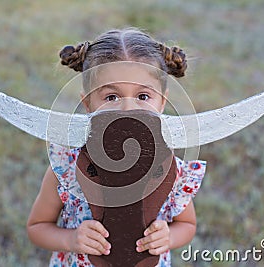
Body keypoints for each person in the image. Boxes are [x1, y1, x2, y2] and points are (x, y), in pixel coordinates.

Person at [26, 28, 206, 267]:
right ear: (88, 103)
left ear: (162, 102)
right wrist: (71, 239)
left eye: (143, 96)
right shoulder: (67, 167)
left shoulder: (168, 169)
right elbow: (37, 226)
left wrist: (168, 236)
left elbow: (187, 225)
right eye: (111, 97)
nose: (127, 110)